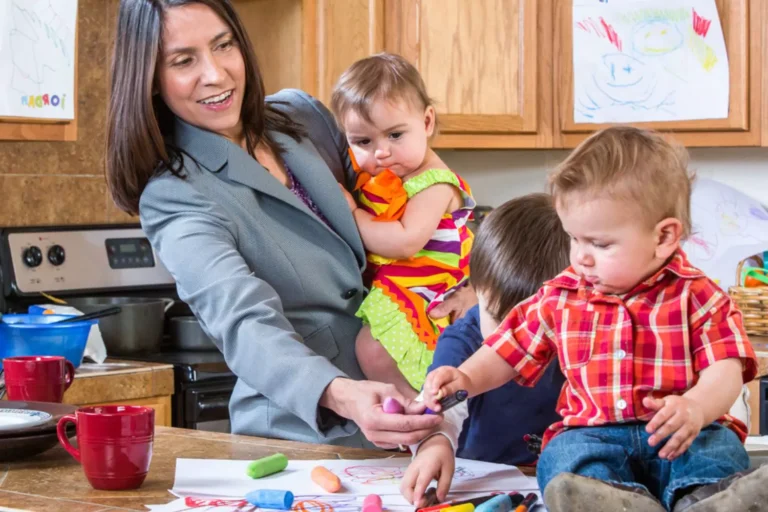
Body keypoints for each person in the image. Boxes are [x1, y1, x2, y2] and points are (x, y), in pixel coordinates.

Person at [105, 0, 484, 448]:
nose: (215, 74)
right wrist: (342, 394)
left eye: (223, 45)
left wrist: (472, 285)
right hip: (306, 435)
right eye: (184, 61)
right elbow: (245, 324)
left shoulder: (302, 116)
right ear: (151, 79)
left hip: (412, 398)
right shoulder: (175, 194)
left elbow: (410, 184)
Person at [423, 126, 765, 512]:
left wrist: (697, 408)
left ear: (664, 237)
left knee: (716, 448)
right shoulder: (560, 295)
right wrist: (467, 378)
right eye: (575, 239)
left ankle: (703, 500)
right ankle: (615, 503)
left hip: (679, 433)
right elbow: (508, 350)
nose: (581, 257)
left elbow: (726, 371)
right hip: (595, 436)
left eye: (599, 244)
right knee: (564, 455)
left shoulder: (699, 296)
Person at [401, 194, 569, 506]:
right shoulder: (461, 341)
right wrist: (434, 444)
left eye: (536, 329)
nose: (513, 338)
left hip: (556, 480)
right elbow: (440, 406)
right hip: (480, 482)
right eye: (497, 318)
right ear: (475, 287)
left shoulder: (576, 336)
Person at [330, 53, 475, 397]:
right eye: (363, 142)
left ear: (426, 122)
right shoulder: (386, 177)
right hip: (403, 286)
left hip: (428, 291)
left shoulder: (434, 182)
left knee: (373, 347)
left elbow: (405, 241)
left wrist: (353, 214)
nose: (381, 152)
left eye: (395, 134)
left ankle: (418, 408)